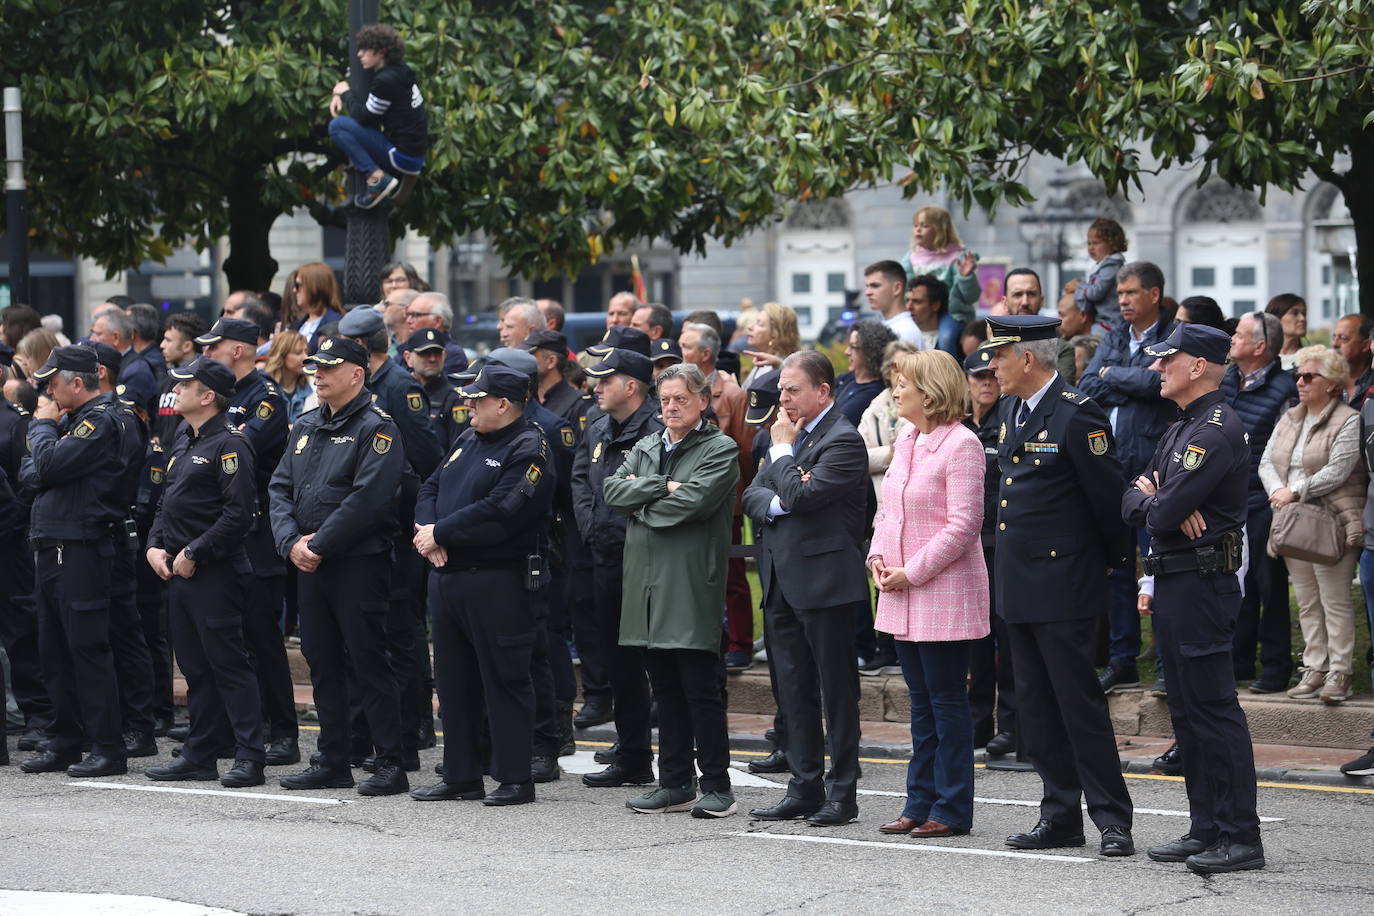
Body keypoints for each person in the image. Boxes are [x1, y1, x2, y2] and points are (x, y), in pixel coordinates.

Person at [980, 314, 1136, 857]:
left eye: (999, 356)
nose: (991, 365)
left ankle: (1113, 819)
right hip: (1020, 582)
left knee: (1079, 707)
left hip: (1064, 583)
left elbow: (1107, 499)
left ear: (1027, 358)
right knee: (1036, 709)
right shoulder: (1011, 408)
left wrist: (1113, 564)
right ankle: (1060, 814)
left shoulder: (1076, 414)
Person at [1121, 323, 1263, 873]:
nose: (1156, 368)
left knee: (1212, 709)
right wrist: (1153, 498)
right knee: (1185, 712)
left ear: (1197, 366)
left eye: (1166, 360)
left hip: (1203, 583)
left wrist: (1158, 501)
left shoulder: (1215, 430)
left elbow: (1158, 509)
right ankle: (1207, 827)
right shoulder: (1182, 427)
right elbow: (1135, 499)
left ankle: (1240, 834)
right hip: (1177, 579)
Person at [410, 365, 555, 805]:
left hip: (499, 581)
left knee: (505, 681)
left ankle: (514, 777)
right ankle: (461, 775)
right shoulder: (468, 437)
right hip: (449, 576)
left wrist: (442, 533)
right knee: (454, 683)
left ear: (503, 404)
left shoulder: (529, 447)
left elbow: (503, 508)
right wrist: (428, 530)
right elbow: (430, 485)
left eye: (477, 399)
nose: (467, 405)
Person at [268, 337, 408, 795]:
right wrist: (290, 542)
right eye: (315, 366)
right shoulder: (307, 424)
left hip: (356, 564)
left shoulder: (377, 427)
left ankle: (390, 761)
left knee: (368, 661)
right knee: (322, 662)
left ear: (356, 373)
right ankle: (332, 758)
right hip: (311, 563)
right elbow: (280, 488)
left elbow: (369, 498)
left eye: (329, 366)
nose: (318, 374)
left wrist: (319, 544)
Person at [604, 363, 741, 817]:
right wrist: (661, 486)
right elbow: (610, 492)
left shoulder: (720, 449)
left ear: (703, 400)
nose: (671, 407)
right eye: (665, 400)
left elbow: (691, 505)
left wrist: (642, 503)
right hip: (644, 587)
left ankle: (718, 787)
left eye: (681, 398)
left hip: (688, 586)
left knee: (700, 690)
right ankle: (675, 782)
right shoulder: (646, 444)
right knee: (664, 689)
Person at [742, 350, 868, 827]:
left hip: (825, 581)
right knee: (793, 690)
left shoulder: (843, 439)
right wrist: (780, 497)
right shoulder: (785, 438)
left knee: (836, 691)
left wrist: (782, 458)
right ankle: (803, 785)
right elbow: (753, 495)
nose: (784, 399)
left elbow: (802, 493)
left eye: (793, 390)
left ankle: (843, 792)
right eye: (781, 391)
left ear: (823, 392)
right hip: (780, 579)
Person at [869, 349, 989, 839]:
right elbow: (887, 511)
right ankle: (917, 803)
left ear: (930, 391)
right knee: (920, 704)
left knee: (946, 704)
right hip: (901, 590)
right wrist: (877, 558)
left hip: (942, 593)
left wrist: (910, 572)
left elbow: (964, 525)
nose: (895, 392)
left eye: (903, 384)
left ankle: (952, 808)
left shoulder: (962, 444)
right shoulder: (907, 437)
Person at [143, 357, 266, 788]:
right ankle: (200, 751)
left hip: (215, 573)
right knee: (195, 668)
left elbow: (239, 515)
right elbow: (166, 501)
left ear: (207, 396)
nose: (175, 390)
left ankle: (250, 755)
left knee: (229, 664)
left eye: (185, 385)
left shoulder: (230, 444)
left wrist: (196, 550)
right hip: (178, 572)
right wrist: (155, 544)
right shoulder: (184, 436)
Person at [17, 346, 130, 777]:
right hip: (52, 544)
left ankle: (106, 746)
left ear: (77, 382)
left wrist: (43, 426)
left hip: (81, 546)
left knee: (87, 649)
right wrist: (46, 451)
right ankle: (64, 740)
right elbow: (34, 473)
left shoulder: (100, 421)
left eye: (52, 382)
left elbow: (42, 464)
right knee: (53, 650)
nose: (46, 391)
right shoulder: (73, 422)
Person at [198, 318, 300, 766]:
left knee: (261, 636)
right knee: (226, 636)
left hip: (257, 533)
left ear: (237, 350)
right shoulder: (221, 396)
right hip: (222, 528)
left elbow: (239, 451)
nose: (206, 353)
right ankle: (235, 728)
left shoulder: (266, 398)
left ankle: (283, 732)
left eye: (213, 346)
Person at [1077, 261, 1178, 694]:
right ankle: (1123, 658)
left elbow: (1160, 387)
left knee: (1159, 567)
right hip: (1114, 469)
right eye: (1119, 294)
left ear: (1154, 294)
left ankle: (1165, 660)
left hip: (1154, 468)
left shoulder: (1173, 337)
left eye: (1131, 293)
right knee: (1119, 568)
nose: (1122, 301)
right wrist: (1125, 379)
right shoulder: (1117, 337)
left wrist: (1112, 375)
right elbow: (1085, 384)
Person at [572, 350, 661, 782]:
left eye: (606, 380)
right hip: (604, 556)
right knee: (619, 662)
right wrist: (590, 525)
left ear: (631, 387)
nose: (596, 387)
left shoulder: (658, 429)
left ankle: (680, 756)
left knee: (658, 662)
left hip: (645, 560)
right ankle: (632, 755)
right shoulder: (597, 424)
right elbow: (581, 479)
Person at [1259, 345, 1366, 705]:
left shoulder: (1349, 419)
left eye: (1309, 376)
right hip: (1292, 519)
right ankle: (1314, 666)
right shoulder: (1290, 417)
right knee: (1306, 600)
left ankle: (1341, 672)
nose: (1300, 382)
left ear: (1332, 384)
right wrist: (1277, 490)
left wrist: (1295, 490)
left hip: (1332, 519)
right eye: (1298, 376)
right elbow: (1266, 461)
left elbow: (1338, 469)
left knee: (1334, 599)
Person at [1221, 312, 1298, 694]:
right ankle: (1239, 661)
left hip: (1267, 500)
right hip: (1230, 501)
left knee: (1270, 587)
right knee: (1239, 584)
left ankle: (1276, 666)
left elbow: (1289, 448)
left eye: (1238, 334)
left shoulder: (1285, 388)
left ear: (1260, 346)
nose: (1231, 338)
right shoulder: (1228, 379)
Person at [679, 322, 756, 672]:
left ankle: (740, 642)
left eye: (687, 346)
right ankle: (711, 638)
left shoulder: (733, 394)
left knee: (732, 572)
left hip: (726, 498)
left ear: (706, 354)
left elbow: (744, 450)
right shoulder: (678, 389)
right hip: (684, 497)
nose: (680, 352)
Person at [962, 349, 1016, 756]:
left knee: (1008, 638)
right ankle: (979, 723)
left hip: (1003, 544)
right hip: (968, 545)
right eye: (977, 376)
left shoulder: (1011, 421)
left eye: (990, 375)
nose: (986, 382)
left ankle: (1013, 725)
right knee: (976, 640)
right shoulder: (959, 426)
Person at [329, 23, 427, 209]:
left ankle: (376, 178)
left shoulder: (384, 81)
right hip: (415, 154)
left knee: (337, 126)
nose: (359, 54)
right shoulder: (401, 70)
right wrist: (339, 92)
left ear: (381, 52)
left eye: (365, 50)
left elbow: (363, 117)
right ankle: (407, 174)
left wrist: (345, 93)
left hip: (401, 156)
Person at [903, 205, 981, 323]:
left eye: (925, 226)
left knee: (947, 338)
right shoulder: (910, 258)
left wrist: (966, 277)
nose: (918, 229)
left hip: (950, 314)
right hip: (919, 315)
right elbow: (904, 290)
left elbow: (971, 297)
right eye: (915, 225)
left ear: (940, 230)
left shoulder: (957, 258)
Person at [1063, 217, 1127, 332]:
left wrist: (1078, 287)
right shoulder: (1101, 266)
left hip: (1109, 322)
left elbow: (1095, 292)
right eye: (1089, 243)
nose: (1091, 247)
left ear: (1112, 243)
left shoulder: (1112, 266)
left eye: (1096, 243)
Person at [153, 313, 207, 445]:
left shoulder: (204, 380)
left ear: (187, 346)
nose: (162, 345)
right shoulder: (166, 377)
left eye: (168, 340)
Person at [837, 321, 898, 427]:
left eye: (853, 347)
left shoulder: (874, 392)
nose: (846, 352)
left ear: (869, 352)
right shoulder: (847, 378)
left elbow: (837, 422)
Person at [402, 292, 468, 375]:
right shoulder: (407, 348)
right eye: (408, 314)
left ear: (437, 321)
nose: (408, 321)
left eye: (415, 315)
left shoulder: (453, 354)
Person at [741, 302, 801, 386]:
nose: (750, 327)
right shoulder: (762, 363)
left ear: (774, 335)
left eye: (759, 324)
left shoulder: (787, 367)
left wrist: (779, 366)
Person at [863, 260, 921, 346]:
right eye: (867, 286)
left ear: (897, 288)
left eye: (875, 286)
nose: (867, 292)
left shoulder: (905, 332)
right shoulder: (888, 325)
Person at [290, 263, 344, 354]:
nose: (294, 290)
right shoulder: (297, 323)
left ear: (315, 287)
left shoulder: (336, 322)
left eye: (298, 285)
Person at [263, 330, 312, 426]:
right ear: (281, 355)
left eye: (306, 352)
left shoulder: (314, 387)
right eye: (298, 353)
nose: (305, 357)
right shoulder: (264, 387)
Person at [907, 275, 961, 358]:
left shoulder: (957, 340)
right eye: (907, 300)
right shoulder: (903, 337)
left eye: (917, 302)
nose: (909, 307)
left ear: (935, 305)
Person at [1332, 314, 1374, 407]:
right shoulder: (1325, 380)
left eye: (1343, 338)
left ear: (1366, 345)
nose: (1335, 344)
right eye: (1334, 337)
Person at [1265, 294, 1307, 371]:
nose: (1302, 319)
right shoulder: (1260, 360)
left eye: (1304, 314)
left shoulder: (1311, 358)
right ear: (1276, 318)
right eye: (1295, 313)